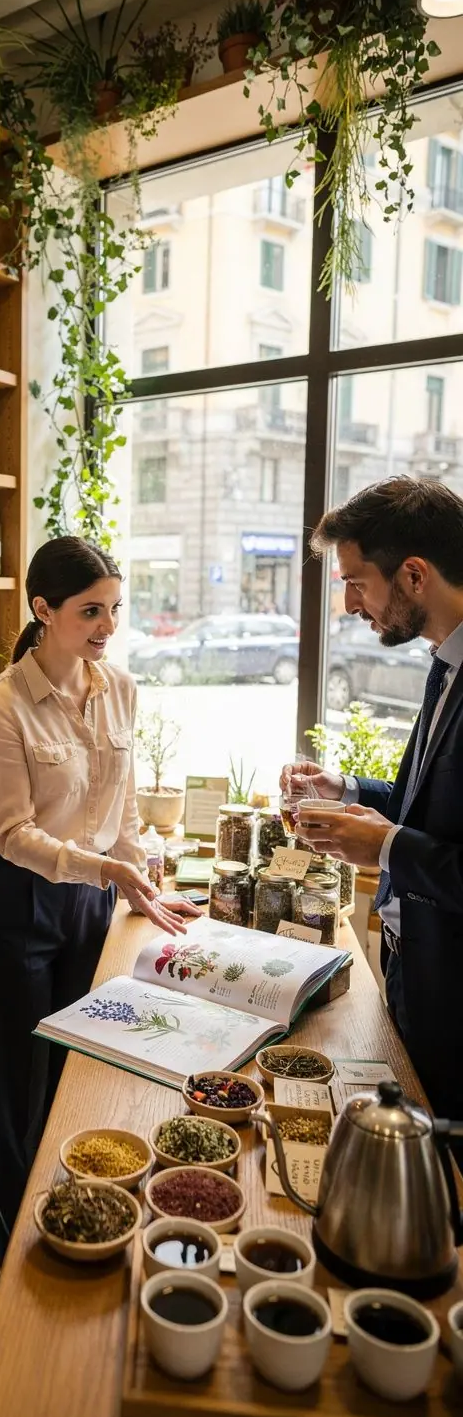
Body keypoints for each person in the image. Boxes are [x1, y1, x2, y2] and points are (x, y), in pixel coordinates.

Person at [0, 536, 201, 1273]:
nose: (108, 625)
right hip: (17, 909)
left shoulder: (119, 687)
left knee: (79, 1074)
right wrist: (110, 871)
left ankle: (72, 1223)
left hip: (90, 906)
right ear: (42, 610)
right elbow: (14, 834)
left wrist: (142, 877)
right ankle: (12, 1243)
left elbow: (122, 812)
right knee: (20, 1094)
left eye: (116, 609)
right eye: (91, 610)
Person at [281, 477, 463, 1130]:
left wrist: (382, 846)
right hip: (417, 980)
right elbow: (433, 810)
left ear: (414, 575)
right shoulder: (445, 664)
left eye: (356, 582)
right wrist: (348, 790)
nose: (351, 604)